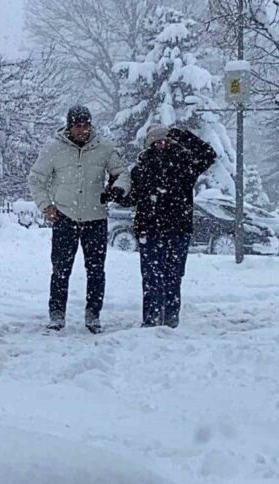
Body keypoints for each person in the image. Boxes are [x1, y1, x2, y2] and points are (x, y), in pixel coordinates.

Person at [27, 105, 131, 334]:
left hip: (95, 217)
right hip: (65, 217)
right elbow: (35, 179)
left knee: (96, 270)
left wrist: (118, 189)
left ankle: (93, 315)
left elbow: (122, 173)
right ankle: (57, 315)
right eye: (77, 126)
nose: (82, 130)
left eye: (86, 126)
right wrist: (46, 205)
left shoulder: (105, 148)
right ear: (69, 127)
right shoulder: (54, 150)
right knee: (61, 270)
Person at [111, 126, 216, 328]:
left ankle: (170, 318)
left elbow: (209, 155)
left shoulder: (184, 164)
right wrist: (116, 194)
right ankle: (151, 318)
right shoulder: (141, 168)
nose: (162, 145)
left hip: (178, 229)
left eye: (165, 141)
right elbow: (132, 198)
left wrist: (185, 135)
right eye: (157, 142)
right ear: (149, 145)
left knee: (173, 276)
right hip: (149, 230)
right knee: (151, 277)